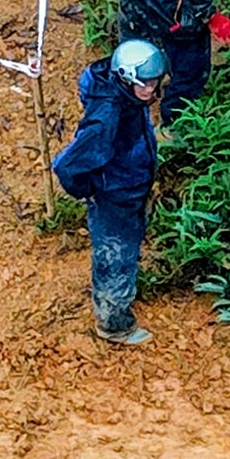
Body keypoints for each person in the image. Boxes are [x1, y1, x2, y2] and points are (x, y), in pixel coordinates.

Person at [52, 35, 166, 345]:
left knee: (124, 249)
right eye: (145, 83)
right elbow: (68, 166)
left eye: (154, 82)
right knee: (115, 256)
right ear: (126, 78)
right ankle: (114, 324)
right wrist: (91, 189)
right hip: (115, 195)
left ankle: (120, 299)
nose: (151, 89)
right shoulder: (107, 118)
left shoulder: (127, 96)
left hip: (128, 187)